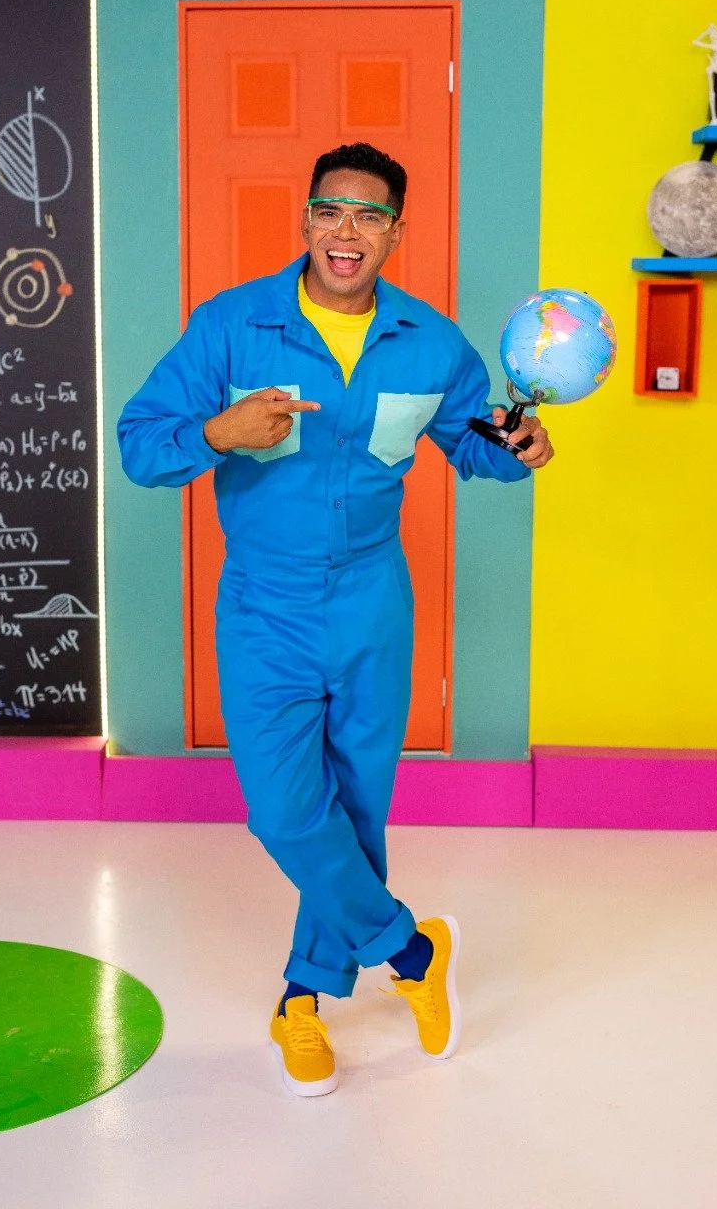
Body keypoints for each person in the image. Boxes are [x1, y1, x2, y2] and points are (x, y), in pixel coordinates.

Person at [118, 141, 554, 1099]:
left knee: (355, 806)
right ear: (306, 219)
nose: (344, 232)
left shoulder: (432, 344)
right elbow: (141, 448)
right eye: (328, 210)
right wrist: (217, 434)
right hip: (262, 604)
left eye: (367, 215)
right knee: (282, 810)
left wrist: (520, 447)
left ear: (395, 232)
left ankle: (302, 1003)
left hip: (371, 602)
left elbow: (473, 445)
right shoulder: (232, 325)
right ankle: (409, 950)